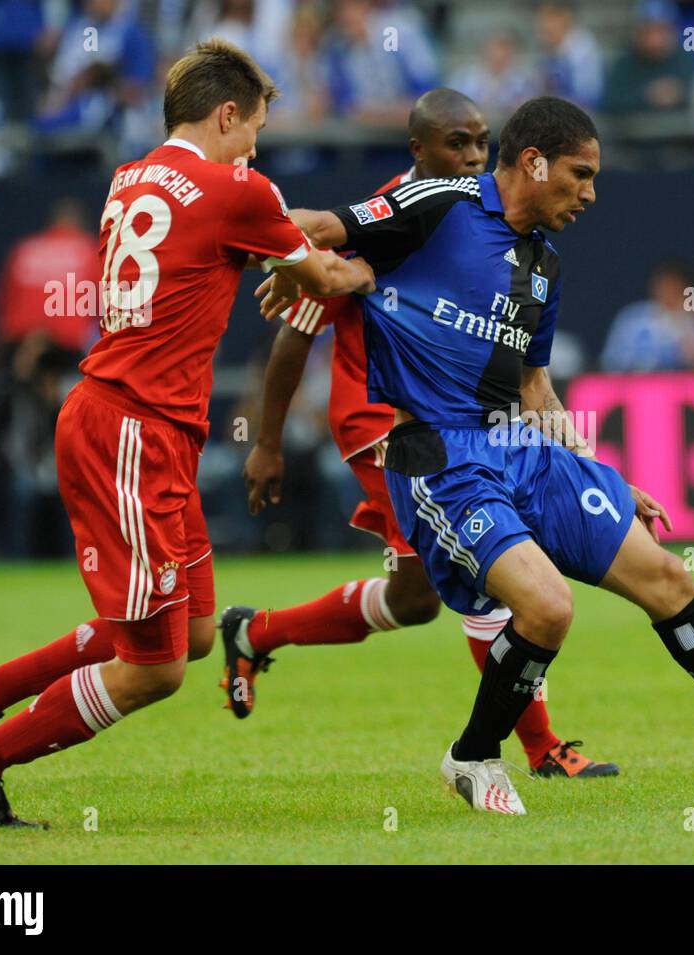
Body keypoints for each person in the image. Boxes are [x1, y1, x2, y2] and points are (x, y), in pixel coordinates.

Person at [276, 96, 694, 814]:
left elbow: (534, 386)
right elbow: (317, 229)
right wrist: (243, 233)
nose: (591, 193)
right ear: (533, 162)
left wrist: (603, 473)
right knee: (547, 607)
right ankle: (473, 757)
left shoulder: (542, 265)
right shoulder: (440, 201)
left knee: (666, 575)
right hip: (439, 453)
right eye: (581, 173)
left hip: (519, 445)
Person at [0, 38, 375, 827]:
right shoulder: (239, 190)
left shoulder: (129, 176)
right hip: (131, 432)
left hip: (144, 428)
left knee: (194, 633)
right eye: (255, 131)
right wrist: (378, 256)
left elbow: (221, 250)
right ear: (227, 113)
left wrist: (273, 257)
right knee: (155, 668)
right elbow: (329, 276)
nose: (256, 149)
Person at [232, 88, 618, 779]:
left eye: (479, 143)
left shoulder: (483, 214)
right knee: (496, 568)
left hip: (460, 420)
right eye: (456, 145)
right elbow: (296, 335)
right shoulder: (389, 214)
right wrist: (267, 440)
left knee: (412, 600)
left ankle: (255, 630)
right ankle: (539, 746)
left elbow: (528, 375)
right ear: (419, 150)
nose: (471, 157)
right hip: (383, 423)